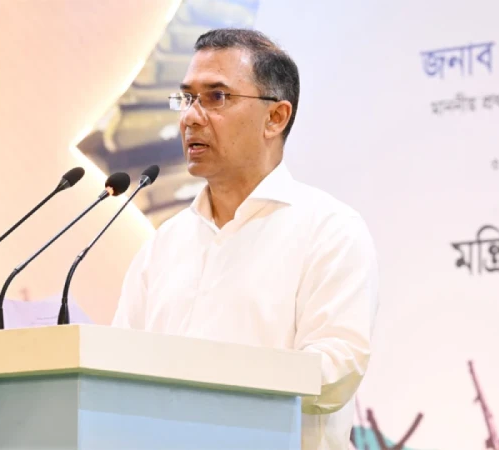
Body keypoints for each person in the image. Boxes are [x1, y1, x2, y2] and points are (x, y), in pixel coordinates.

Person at [111, 28, 379, 450]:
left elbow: (334, 373)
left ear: (276, 118)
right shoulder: (163, 245)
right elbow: (115, 371)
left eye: (216, 97)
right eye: (187, 98)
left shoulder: (330, 230)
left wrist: (208, 378)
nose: (191, 117)